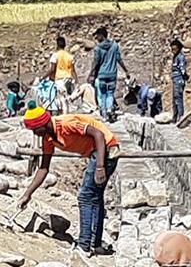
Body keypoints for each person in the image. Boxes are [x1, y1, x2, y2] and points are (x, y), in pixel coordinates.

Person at [18, 106, 118, 255]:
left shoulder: (66, 123)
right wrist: (28, 194)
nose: (34, 134)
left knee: (85, 196)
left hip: (106, 149)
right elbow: (43, 168)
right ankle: (95, 245)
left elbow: (98, 135)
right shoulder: (48, 138)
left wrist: (100, 166)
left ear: (43, 124)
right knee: (95, 198)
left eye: (35, 130)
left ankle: (84, 246)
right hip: (94, 152)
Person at [89, 26, 123, 119]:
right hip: (112, 74)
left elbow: (96, 62)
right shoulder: (115, 46)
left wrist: (91, 74)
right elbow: (119, 59)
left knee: (103, 94)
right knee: (110, 93)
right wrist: (126, 70)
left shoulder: (98, 48)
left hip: (102, 74)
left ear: (102, 36)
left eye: (97, 36)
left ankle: (104, 115)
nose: (96, 38)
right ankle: (109, 110)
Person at [46, 35, 77, 100]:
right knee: (68, 98)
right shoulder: (69, 56)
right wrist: (76, 81)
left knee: (61, 100)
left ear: (57, 45)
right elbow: (73, 70)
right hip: (69, 79)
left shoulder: (55, 55)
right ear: (65, 45)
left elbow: (52, 69)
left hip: (59, 80)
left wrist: (43, 77)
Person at [170, 38, 189, 123]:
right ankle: (175, 117)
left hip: (179, 80)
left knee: (178, 98)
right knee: (174, 99)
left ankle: (180, 117)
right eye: (172, 49)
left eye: (174, 49)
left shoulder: (180, 57)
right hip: (175, 79)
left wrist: (184, 77)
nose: (173, 51)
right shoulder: (175, 57)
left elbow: (183, 70)